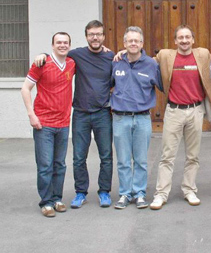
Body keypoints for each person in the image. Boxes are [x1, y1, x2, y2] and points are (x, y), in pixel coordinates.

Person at [34, 20, 114, 209]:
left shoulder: (111, 57)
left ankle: (104, 191)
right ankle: (80, 192)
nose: (95, 37)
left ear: (103, 36)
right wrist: (42, 55)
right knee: (79, 157)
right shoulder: (76, 55)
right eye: (91, 34)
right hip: (81, 113)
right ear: (86, 36)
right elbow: (57, 55)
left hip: (103, 113)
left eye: (99, 34)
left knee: (106, 156)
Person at [149, 25, 211, 210]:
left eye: (188, 37)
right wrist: (122, 53)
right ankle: (161, 194)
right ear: (175, 41)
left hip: (195, 110)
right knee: (167, 156)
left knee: (193, 155)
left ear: (193, 40)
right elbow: (143, 60)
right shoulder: (165, 55)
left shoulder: (202, 54)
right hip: (174, 111)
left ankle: (189, 189)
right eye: (181, 37)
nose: (184, 40)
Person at [21, 32, 75, 217]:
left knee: (59, 164)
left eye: (65, 42)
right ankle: (46, 202)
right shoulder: (41, 63)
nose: (62, 45)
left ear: (69, 45)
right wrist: (31, 115)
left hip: (63, 123)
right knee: (45, 165)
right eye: (58, 42)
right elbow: (25, 88)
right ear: (52, 45)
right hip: (43, 124)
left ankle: (57, 198)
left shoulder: (71, 63)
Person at [111, 26, 163, 210]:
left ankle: (139, 193)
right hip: (120, 118)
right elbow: (107, 85)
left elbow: (164, 85)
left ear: (142, 44)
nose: (133, 43)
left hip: (142, 118)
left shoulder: (151, 64)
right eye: (129, 41)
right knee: (123, 160)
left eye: (137, 41)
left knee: (141, 160)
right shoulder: (116, 63)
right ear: (124, 44)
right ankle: (125, 194)